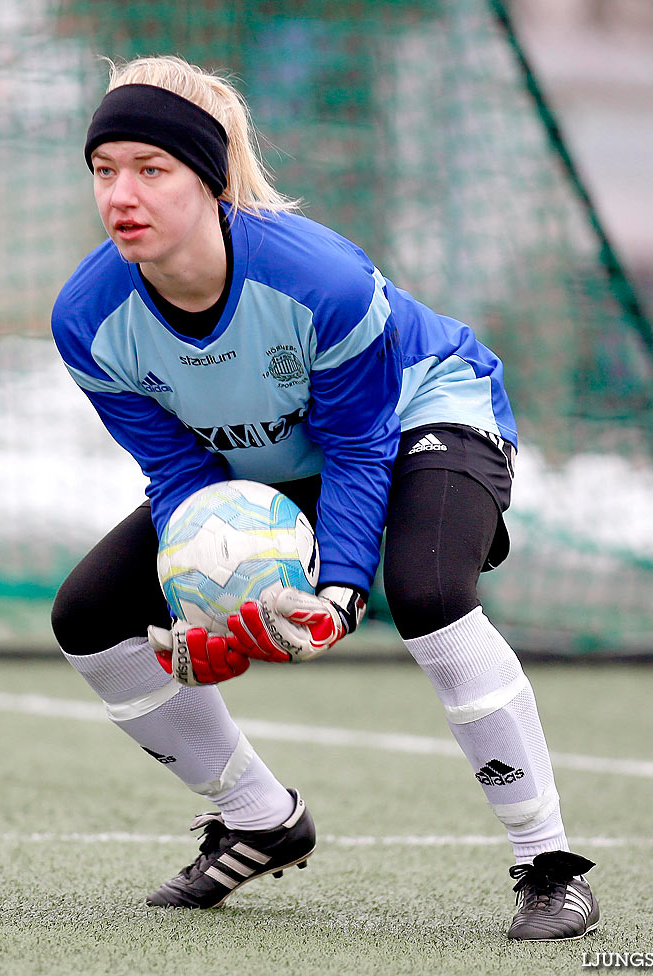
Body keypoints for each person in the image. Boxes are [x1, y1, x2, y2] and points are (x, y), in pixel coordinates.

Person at [49, 55, 599, 942]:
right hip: (288, 452)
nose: (122, 195)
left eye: (151, 171)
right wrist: (204, 606)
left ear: (211, 179)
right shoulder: (86, 320)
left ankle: (548, 863)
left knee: (426, 595)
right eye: (105, 171)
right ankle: (259, 816)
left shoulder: (321, 281)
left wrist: (339, 592)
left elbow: (357, 443)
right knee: (87, 617)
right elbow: (185, 478)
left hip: (424, 411)